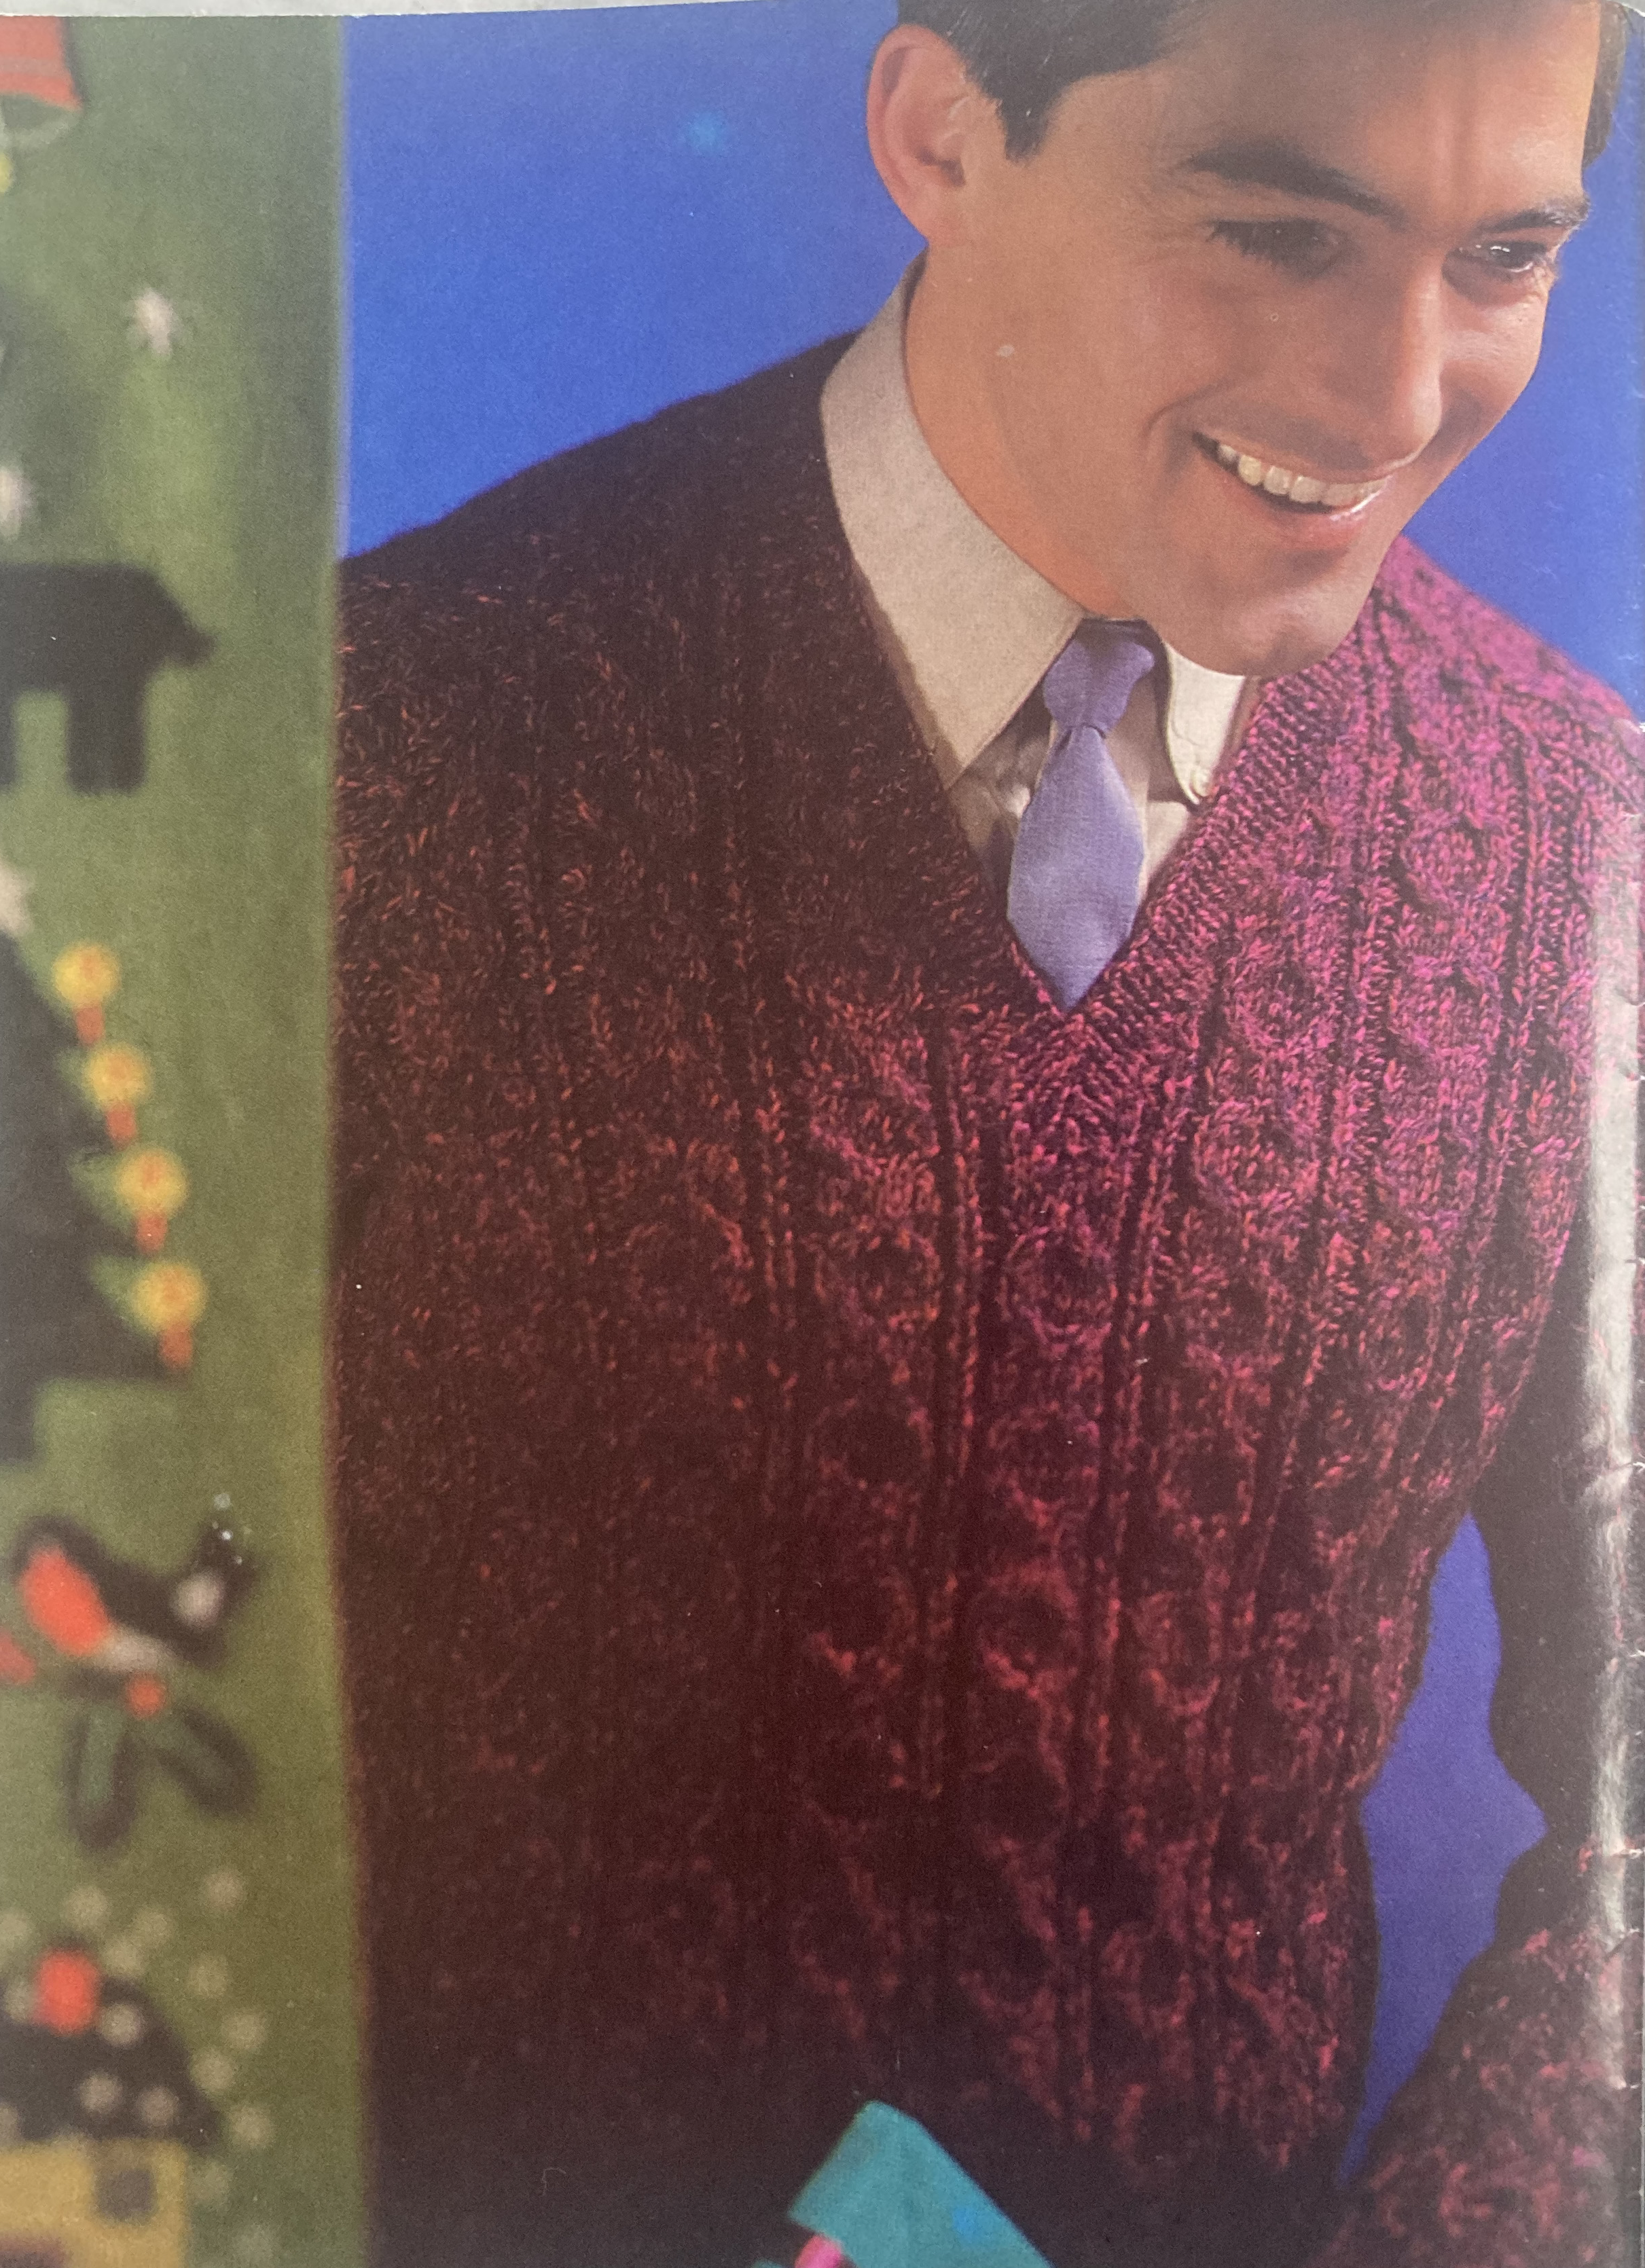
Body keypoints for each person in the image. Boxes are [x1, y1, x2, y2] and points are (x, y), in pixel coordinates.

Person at [332, 3, 1642, 2264]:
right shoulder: (382, 747)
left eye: (1506, 255)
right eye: (1277, 230)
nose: (1395, 392)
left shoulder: (1581, 857)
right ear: (943, 133)